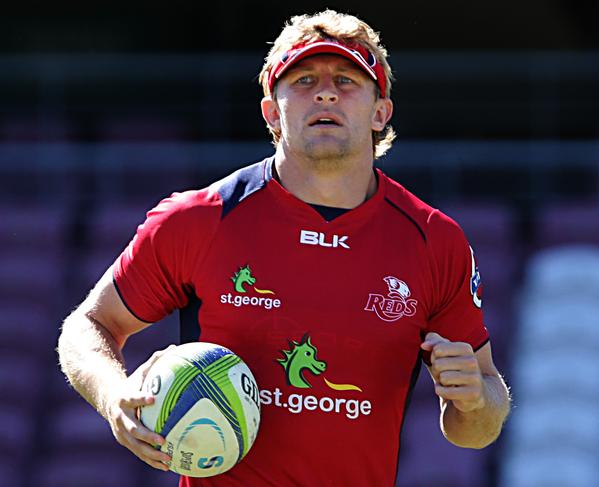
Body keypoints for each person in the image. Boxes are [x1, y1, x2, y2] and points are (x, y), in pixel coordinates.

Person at [58, 9, 511, 486]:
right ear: (271, 112)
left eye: (348, 79)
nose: (326, 91)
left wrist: (477, 400)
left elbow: (474, 429)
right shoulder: (199, 218)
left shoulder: (435, 241)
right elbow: (88, 325)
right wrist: (114, 397)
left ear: (381, 111)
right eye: (303, 79)